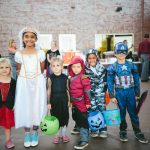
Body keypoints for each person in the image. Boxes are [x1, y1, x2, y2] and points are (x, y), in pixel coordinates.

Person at [107, 42, 148, 144]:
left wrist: (137, 93)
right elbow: (110, 81)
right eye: (119, 52)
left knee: (133, 113)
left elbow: (136, 79)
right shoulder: (112, 67)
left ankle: (137, 131)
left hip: (130, 92)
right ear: (115, 53)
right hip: (120, 93)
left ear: (126, 53)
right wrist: (112, 95)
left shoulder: (131, 65)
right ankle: (122, 130)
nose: (121, 54)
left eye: (123, 52)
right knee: (121, 113)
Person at [14, 27, 47, 148]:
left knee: (36, 106)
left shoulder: (40, 53)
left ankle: (35, 133)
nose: (29, 39)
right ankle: (27, 133)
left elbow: (42, 68)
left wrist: (36, 79)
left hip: (37, 82)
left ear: (36, 39)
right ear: (22, 38)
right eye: (26, 36)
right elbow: (18, 69)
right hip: (24, 83)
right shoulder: (19, 53)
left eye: (32, 37)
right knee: (25, 106)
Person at [68, 56, 91, 149]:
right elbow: (70, 91)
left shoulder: (84, 78)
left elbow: (87, 91)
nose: (76, 69)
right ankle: (78, 128)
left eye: (78, 67)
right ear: (70, 67)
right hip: (75, 104)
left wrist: (88, 102)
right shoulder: (71, 78)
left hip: (82, 104)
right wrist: (70, 101)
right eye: (74, 67)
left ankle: (84, 140)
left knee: (83, 121)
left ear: (82, 67)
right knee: (76, 117)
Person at [85, 48, 107, 138]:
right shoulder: (85, 70)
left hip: (100, 94)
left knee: (101, 109)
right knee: (92, 110)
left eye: (93, 58)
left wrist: (104, 92)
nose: (92, 60)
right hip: (90, 95)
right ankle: (94, 128)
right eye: (89, 58)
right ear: (87, 59)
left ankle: (103, 129)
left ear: (97, 58)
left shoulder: (102, 68)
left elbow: (106, 82)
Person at [47, 57, 70, 144]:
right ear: (51, 67)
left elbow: (68, 90)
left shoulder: (65, 77)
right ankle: (56, 135)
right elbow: (49, 91)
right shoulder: (50, 78)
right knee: (55, 118)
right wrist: (48, 102)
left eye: (58, 65)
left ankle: (63, 135)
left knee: (64, 117)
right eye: (53, 66)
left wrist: (69, 101)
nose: (56, 67)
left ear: (61, 67)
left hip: (64, 99)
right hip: (54, 100)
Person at [0, 58, 16, 149]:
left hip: (8, 106)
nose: (4, 69)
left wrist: (15, 104)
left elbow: (15, 94)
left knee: (7, 125)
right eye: (1, 67)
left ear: (10, 69)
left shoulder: (13, 81)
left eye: (7, 67)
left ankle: (8, 140)